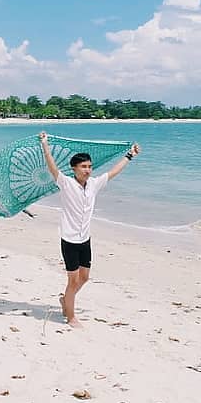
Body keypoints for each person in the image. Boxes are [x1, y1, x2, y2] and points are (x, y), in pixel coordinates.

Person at [39, 131, 141, 327]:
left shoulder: (93, 184)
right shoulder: (66, 183)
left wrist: (130, 155)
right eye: (83, 167)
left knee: (84, 278)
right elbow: (52, 167)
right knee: (72, 281)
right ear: (74, 168)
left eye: (90, 166)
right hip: (69, 240)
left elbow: (113, 172)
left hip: (85, 239)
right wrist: (45, 145)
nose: (88, 170)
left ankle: (65, 300)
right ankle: (71, 316)